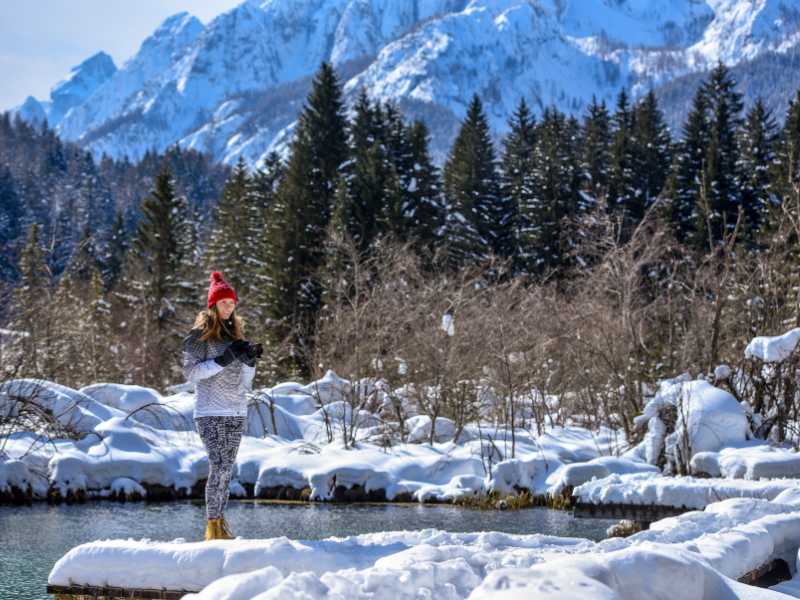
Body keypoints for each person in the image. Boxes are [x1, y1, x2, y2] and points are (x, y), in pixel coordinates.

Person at [182, 271, 262, 541]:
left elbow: (246, 383)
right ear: (213, 305)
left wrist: (249, 362)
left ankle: (220, 525)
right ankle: (212, 527)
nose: (230, 307)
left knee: (227, 469)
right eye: (225, 302)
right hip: (209, 412)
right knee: (218, 464)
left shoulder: (237, 336)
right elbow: (190, 374)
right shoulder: (198, 338)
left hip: (236, 411)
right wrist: (223, 360)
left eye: (232, 303)